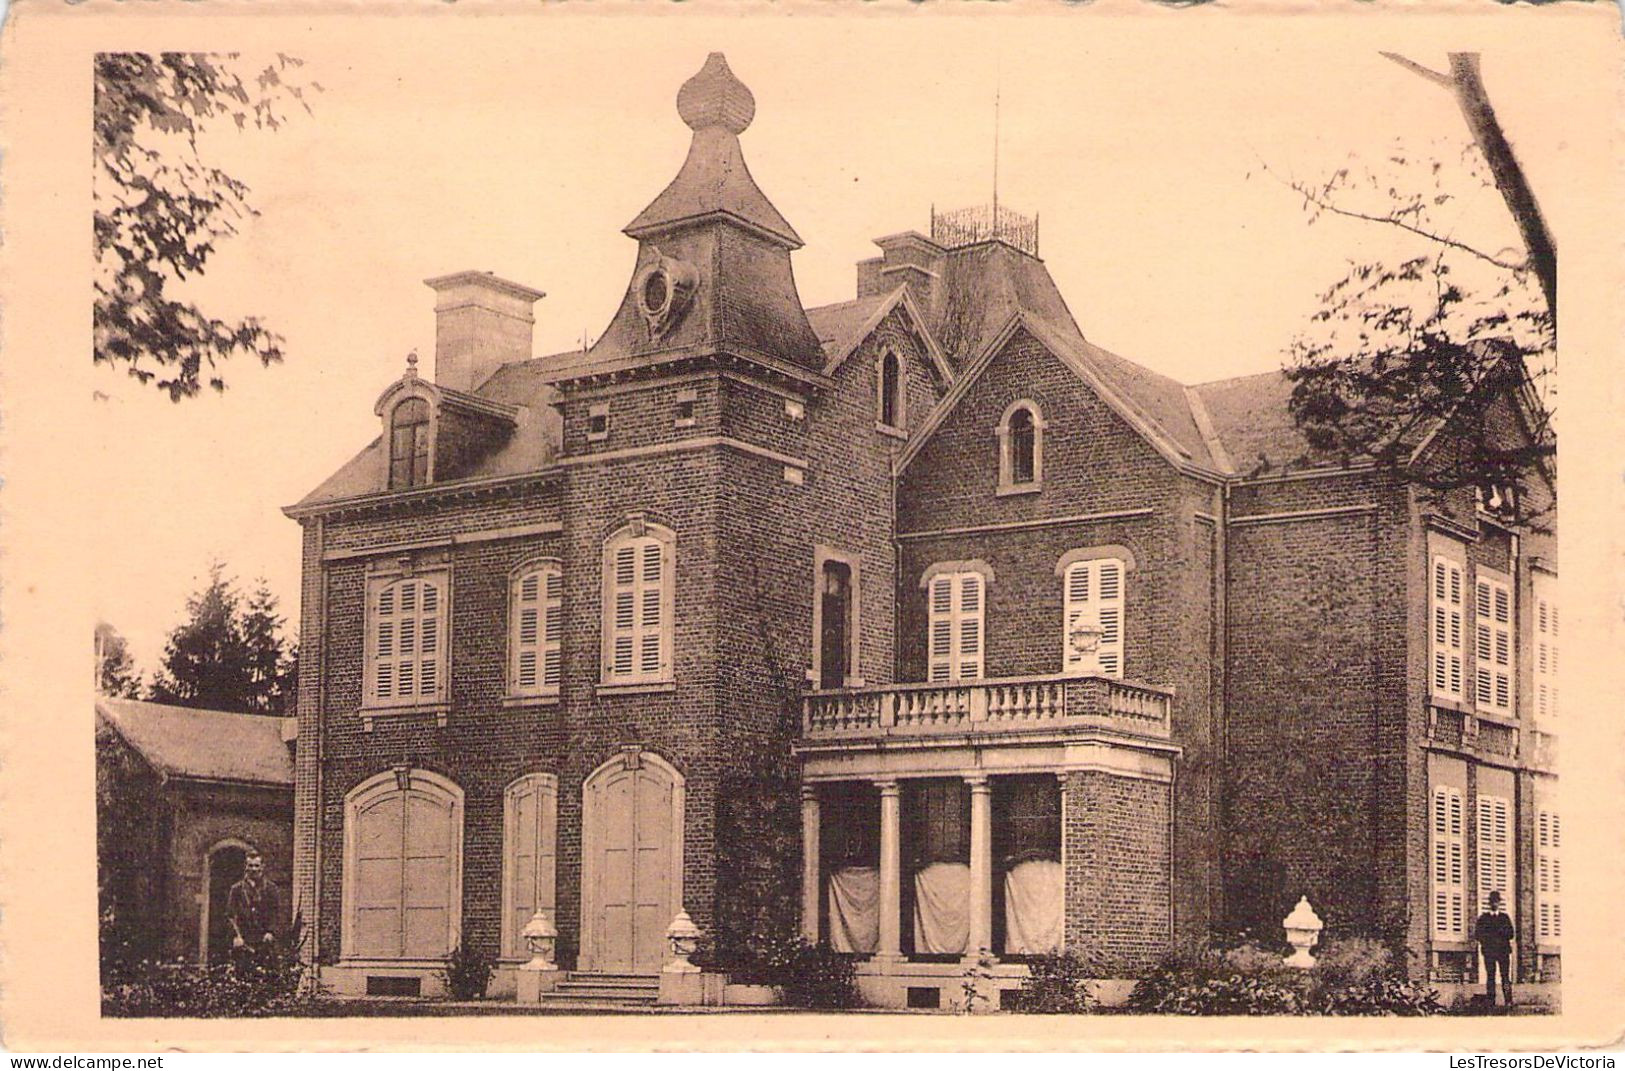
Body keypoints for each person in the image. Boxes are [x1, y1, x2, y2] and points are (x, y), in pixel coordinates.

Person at [226, 852, 283, 973]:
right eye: (250, 866)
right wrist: (237, 936)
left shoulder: (271, 889)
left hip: (264, 941)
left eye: (257, 866)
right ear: (245, 867)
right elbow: (230, 915)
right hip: (244, 942)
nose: (254, 869)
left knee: (267, 977)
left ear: (262, 867)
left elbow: (275, 913)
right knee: (242, 977)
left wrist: (270, 931)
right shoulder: (236, 890)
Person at [1474, 890, 1516, 1007]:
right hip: (1489, 952)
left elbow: (1511, 933)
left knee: (1505, 976)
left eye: (1496, 902)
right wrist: (1489, 940)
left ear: (1499, 903)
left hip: (1503, 952)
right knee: (1490, 976)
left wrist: (1496, 934)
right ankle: (1491, 1001)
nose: (1494, 904)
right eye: (1492, 902)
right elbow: (1478, 934)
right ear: (1489, 903)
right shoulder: (1483, 918)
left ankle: (1508, 1001)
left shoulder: (1504, 918)